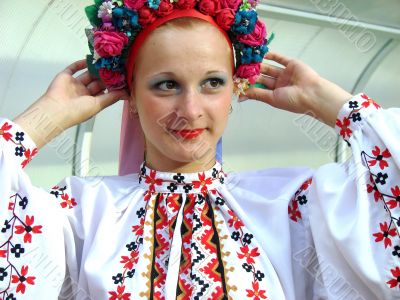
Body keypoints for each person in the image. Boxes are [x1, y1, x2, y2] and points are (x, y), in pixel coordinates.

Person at [0, 0, 399, 299]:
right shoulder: (80, 213)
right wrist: (41, 120)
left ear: (235, 90)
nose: (190, 111)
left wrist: (330, 103)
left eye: (212, 83)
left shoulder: (293, 206)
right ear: (131, 96)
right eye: (166, 85)